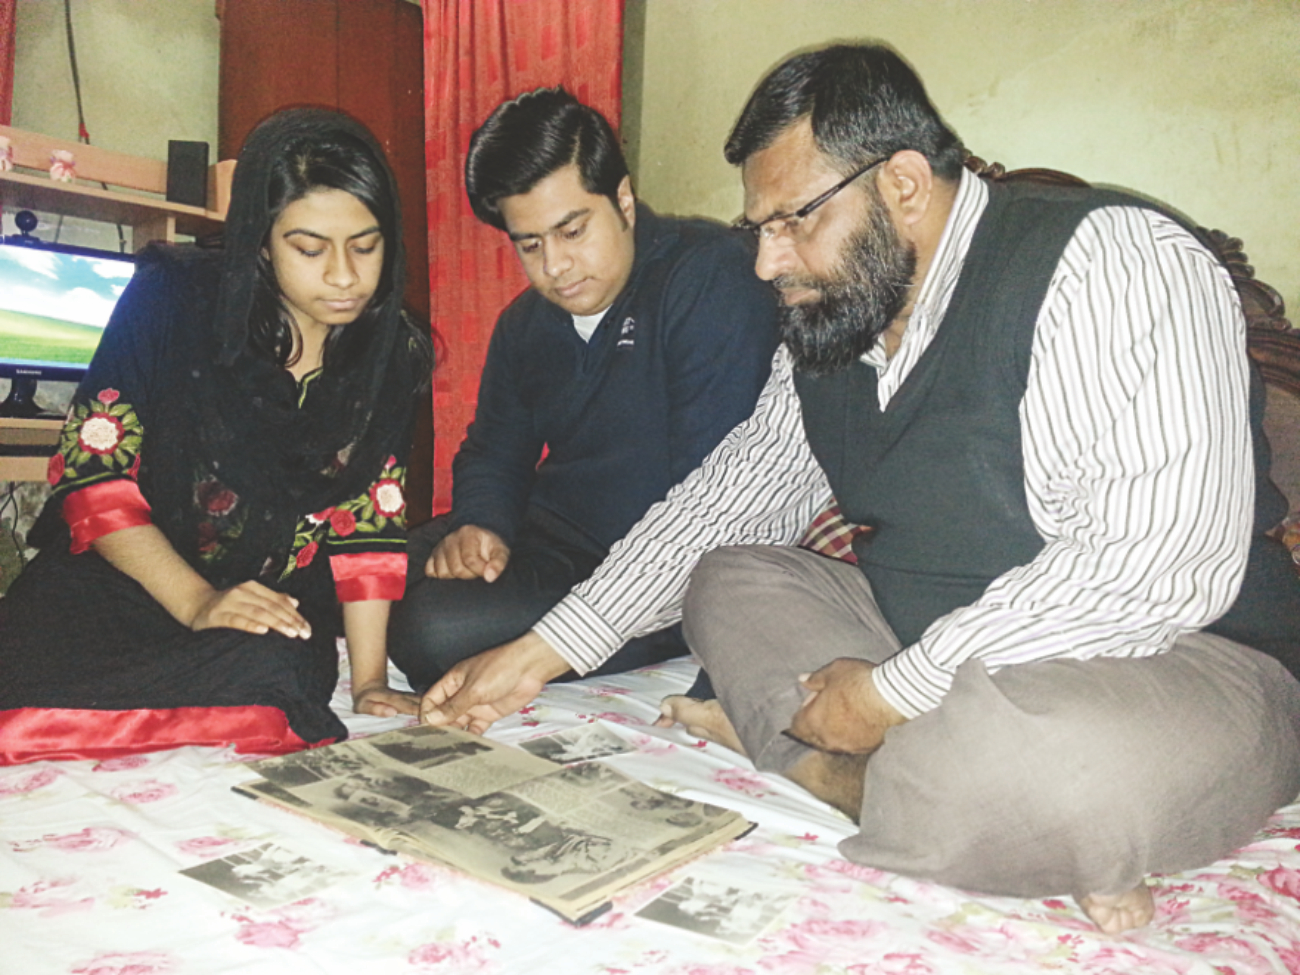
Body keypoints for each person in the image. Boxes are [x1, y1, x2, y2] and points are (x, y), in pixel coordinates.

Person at [417, 45, 1300, 933]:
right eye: (759, 226)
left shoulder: (1116, 259)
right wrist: (537, 654)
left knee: (1045, 763)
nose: (767, 263)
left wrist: (888, 694)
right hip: (923, 645)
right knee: (728, 577)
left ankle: (870, 772)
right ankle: (963, 806)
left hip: (1179, 657)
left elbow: (1158, 565)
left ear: (905, 186)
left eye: (792, 221)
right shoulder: (837, 322)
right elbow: (724, 500)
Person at [0, 108, 433, 764]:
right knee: (25, 667)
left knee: (283, 673)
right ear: (261, 241)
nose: (345, 276)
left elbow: (369, 518)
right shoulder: (170, 301)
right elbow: (95, 473)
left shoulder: (388, 349)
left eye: (366, 245)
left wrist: (370, 681)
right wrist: (198, 599)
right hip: (128, 580)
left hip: (259, 610)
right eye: (310, 249)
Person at [386, 87, 779, 692]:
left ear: (622, 199)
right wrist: (480, 526)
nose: (556, 266)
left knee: (429, 631)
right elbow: (494, 449)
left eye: (572, 231)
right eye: (530, 244)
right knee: (356, 574)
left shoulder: (708, 280)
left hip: (651, 570)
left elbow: (716, 499)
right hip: (544, 536)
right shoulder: (525, 325)